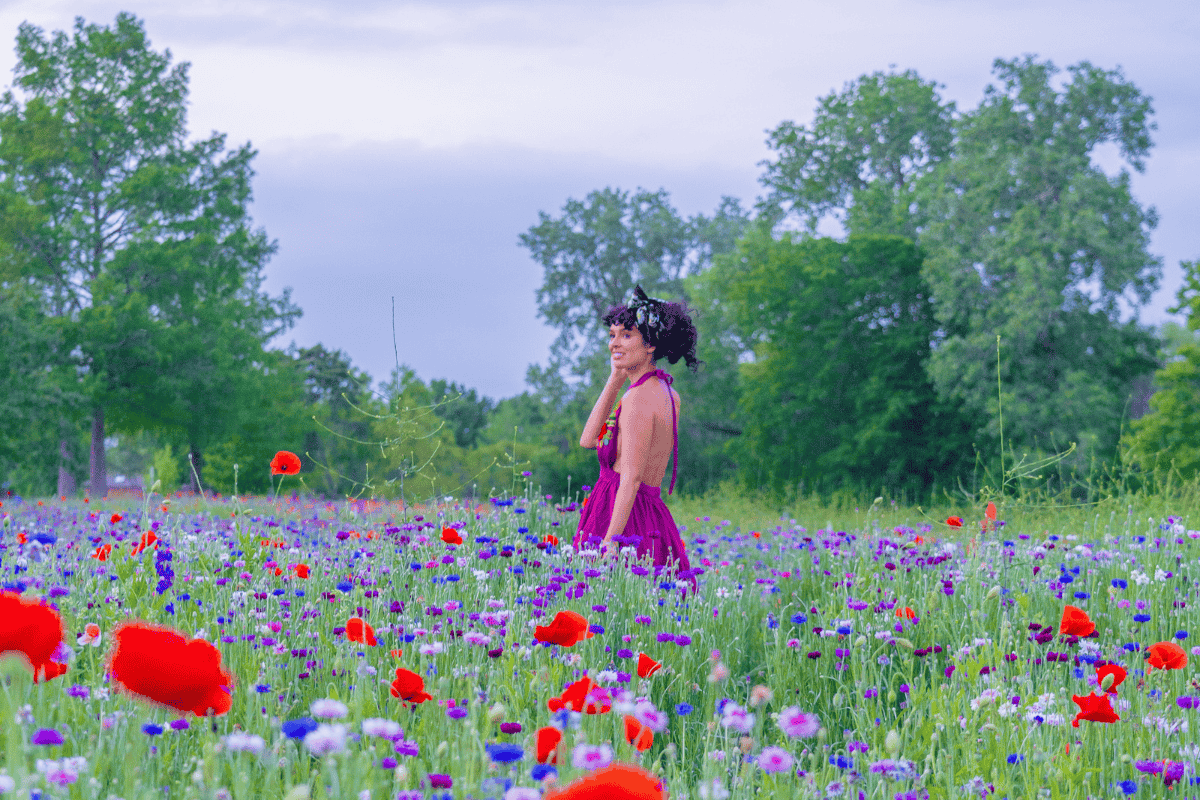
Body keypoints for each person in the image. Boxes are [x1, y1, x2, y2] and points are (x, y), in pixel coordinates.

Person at [574, 286, 699, 589]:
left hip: (622, 516)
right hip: (650, 514)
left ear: (650, 345)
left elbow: (630, 478)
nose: (614, 343)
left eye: (626, 335)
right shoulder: (668, 393)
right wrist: (615, 379)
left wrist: (610, 542)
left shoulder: (638, 399)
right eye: (612, 335)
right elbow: (588, 439)